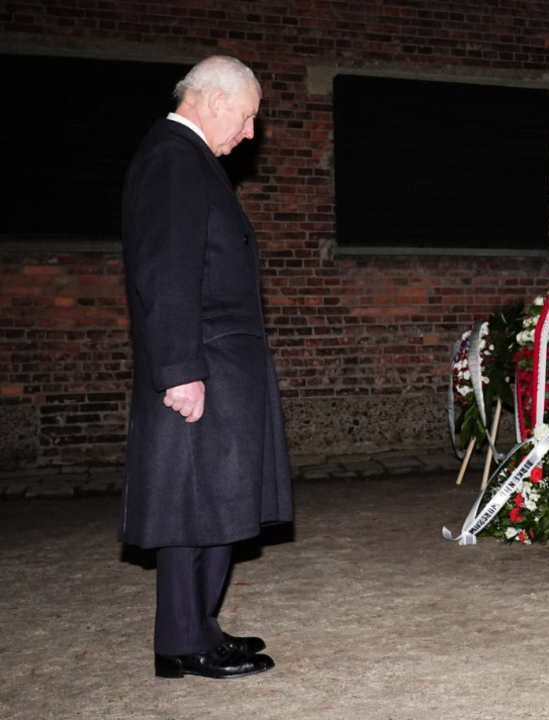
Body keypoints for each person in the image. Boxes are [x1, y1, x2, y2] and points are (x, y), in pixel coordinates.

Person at [119, 55, 292, 679]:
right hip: (203, 363)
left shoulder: (189, 160)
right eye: (247, 117)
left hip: (221, 362)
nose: (250, 133)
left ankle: (203, 628)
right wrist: (180, 370)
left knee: (217, 502)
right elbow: (166, 273)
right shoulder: (173, 158)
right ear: (215, 100)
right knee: (191, 506)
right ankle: (180, 641)